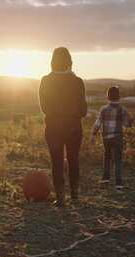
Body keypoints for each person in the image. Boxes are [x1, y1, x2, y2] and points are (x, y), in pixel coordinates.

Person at [38, 47, 87, 207]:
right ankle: (75, 194)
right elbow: (83, 110)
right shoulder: (78, 81)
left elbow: (44, 108)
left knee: (56, 161)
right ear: (69, 61)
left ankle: (60, 198)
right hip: (73, 126)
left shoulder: (45, 80)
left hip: (53, 127)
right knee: (73, 160)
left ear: (52, 61)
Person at [90, 86, 132, 191]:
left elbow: (98, 123)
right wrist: (130, 120)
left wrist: (93, 134)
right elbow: (127, 124)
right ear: (119, 97)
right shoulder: (122, 109)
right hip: (118, 137)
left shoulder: (103, 109)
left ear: (107, 97)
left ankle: (105, 179)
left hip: (106, 137)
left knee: (107, 157)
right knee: (118, 159)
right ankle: (118, 184)